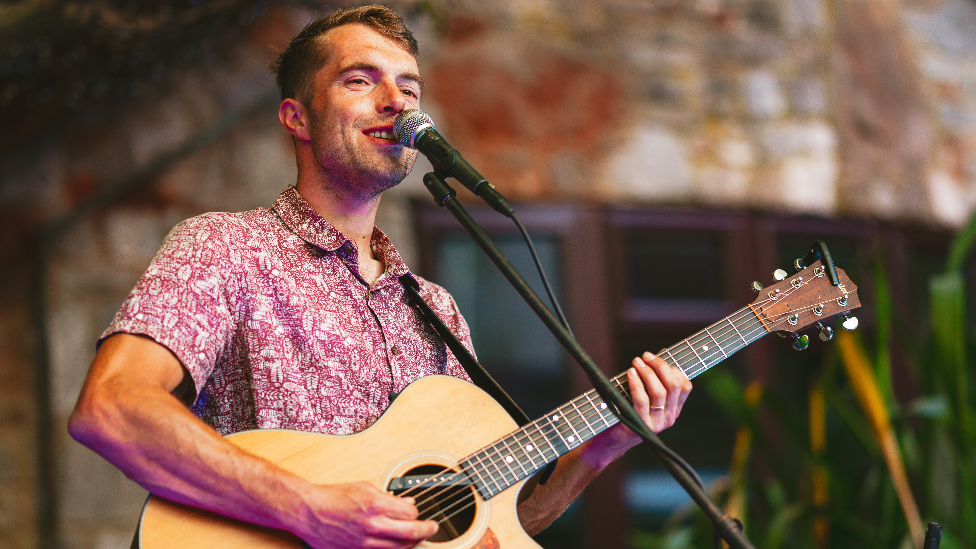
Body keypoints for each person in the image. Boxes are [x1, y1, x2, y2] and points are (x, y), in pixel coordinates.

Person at [68, 5, 693, 548]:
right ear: (297, 118)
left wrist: (601, 449)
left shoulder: (436, 311)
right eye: (360, 81)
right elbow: (113, 407)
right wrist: (308, 510)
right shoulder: (227, 248)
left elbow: (487, 520)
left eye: (409, 88)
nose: (396, 102)